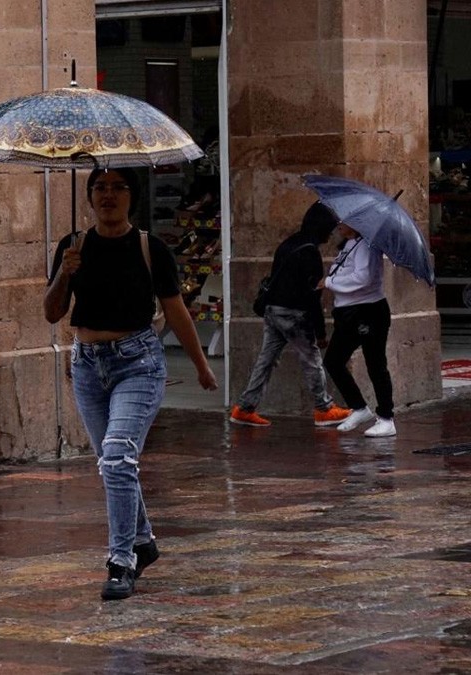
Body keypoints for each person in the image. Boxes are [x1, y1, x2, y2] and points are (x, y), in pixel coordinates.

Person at [44, 168, 218, 601]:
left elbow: (175, 310)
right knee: (111, 462)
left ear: (131, 197)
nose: (108, 195)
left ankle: (121, 561)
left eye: (118, 187)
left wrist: (201, 366)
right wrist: (64, 273)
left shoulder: (149, 247)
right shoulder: (73, 245)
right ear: (89, 196)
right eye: (100, 187)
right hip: (87, 365)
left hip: (137, 363)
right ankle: (143, 541)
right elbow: (51, 312)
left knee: (118, 455)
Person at [229, 203, 352, 427]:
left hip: (273, 309)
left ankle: (245, 408)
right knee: (312, 359)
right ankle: (324, 408)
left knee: (266, 360)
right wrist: (320, 332)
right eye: (329, 228)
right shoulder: (310, 252)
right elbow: (312, 297)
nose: (331, 234)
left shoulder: (288, 244)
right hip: (294, 314)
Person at [322, 222, 396, 437]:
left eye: (344, 221)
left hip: (367, 312)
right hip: (348, 313)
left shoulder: (366, 246)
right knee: (333, 361)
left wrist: (329, 282)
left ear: (356, 224)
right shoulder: (351, 244)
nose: (339, 225)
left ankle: (386, 418)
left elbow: (363, 278)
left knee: (375, 364)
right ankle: (359, 408)